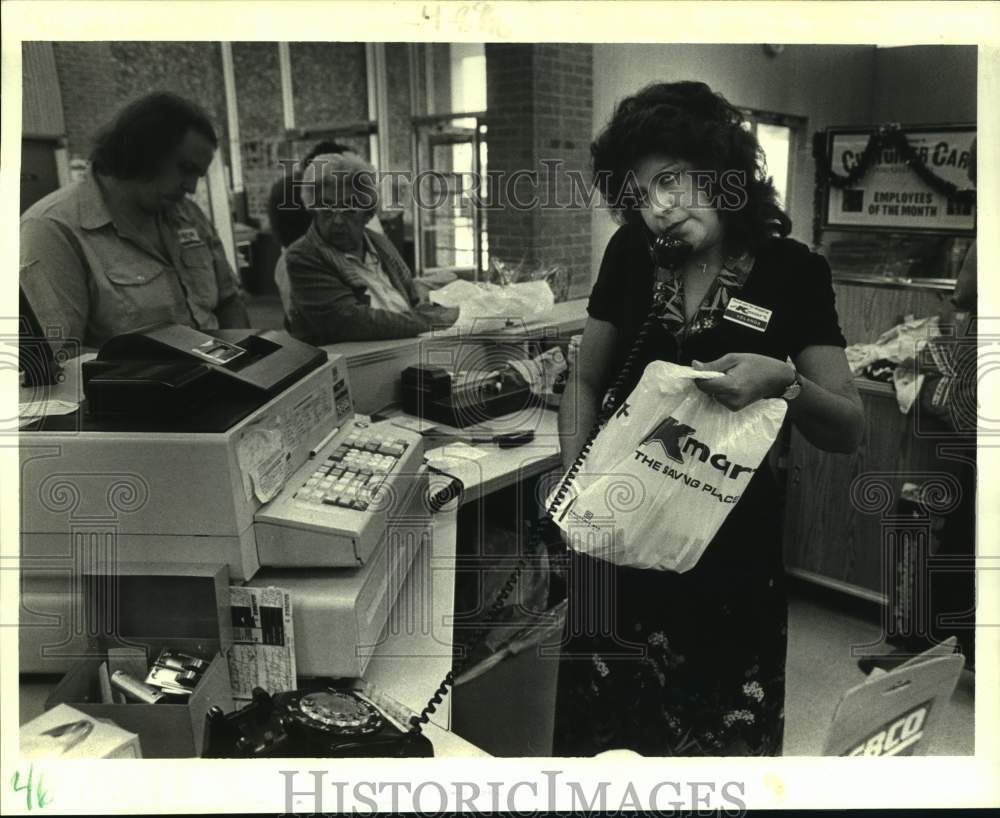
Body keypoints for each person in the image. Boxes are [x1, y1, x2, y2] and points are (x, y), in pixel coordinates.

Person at [553, 81, 864, 756]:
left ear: (721, 170)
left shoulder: (792, 272)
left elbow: (848, 426)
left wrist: (785, 384)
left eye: (669, 181)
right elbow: (582, 380)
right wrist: (574, 483)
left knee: (712, 761)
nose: (656, 210)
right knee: (601, 755)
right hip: (619, 543)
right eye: (637, 196)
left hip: (729, 566)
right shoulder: (631, 256)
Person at [20, 92, 249, 352]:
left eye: (198, 174)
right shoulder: (53, 230)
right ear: (143, 150)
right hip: (132, 390)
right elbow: (62, 355)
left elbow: (229, 300)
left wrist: (245, 365)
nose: (191, 187)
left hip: (218, 383)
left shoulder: (187, 215)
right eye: (185, 168)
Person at [283, 149, 458, 343]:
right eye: (327, 209)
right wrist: (434, 320)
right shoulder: (303, 256)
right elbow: (352, 322)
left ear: (367, 213)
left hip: (405, 346)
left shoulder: (378, 243)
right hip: (352, 363)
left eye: (349, 209)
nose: (338, 220)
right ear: (313, 210)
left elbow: (410, 296)